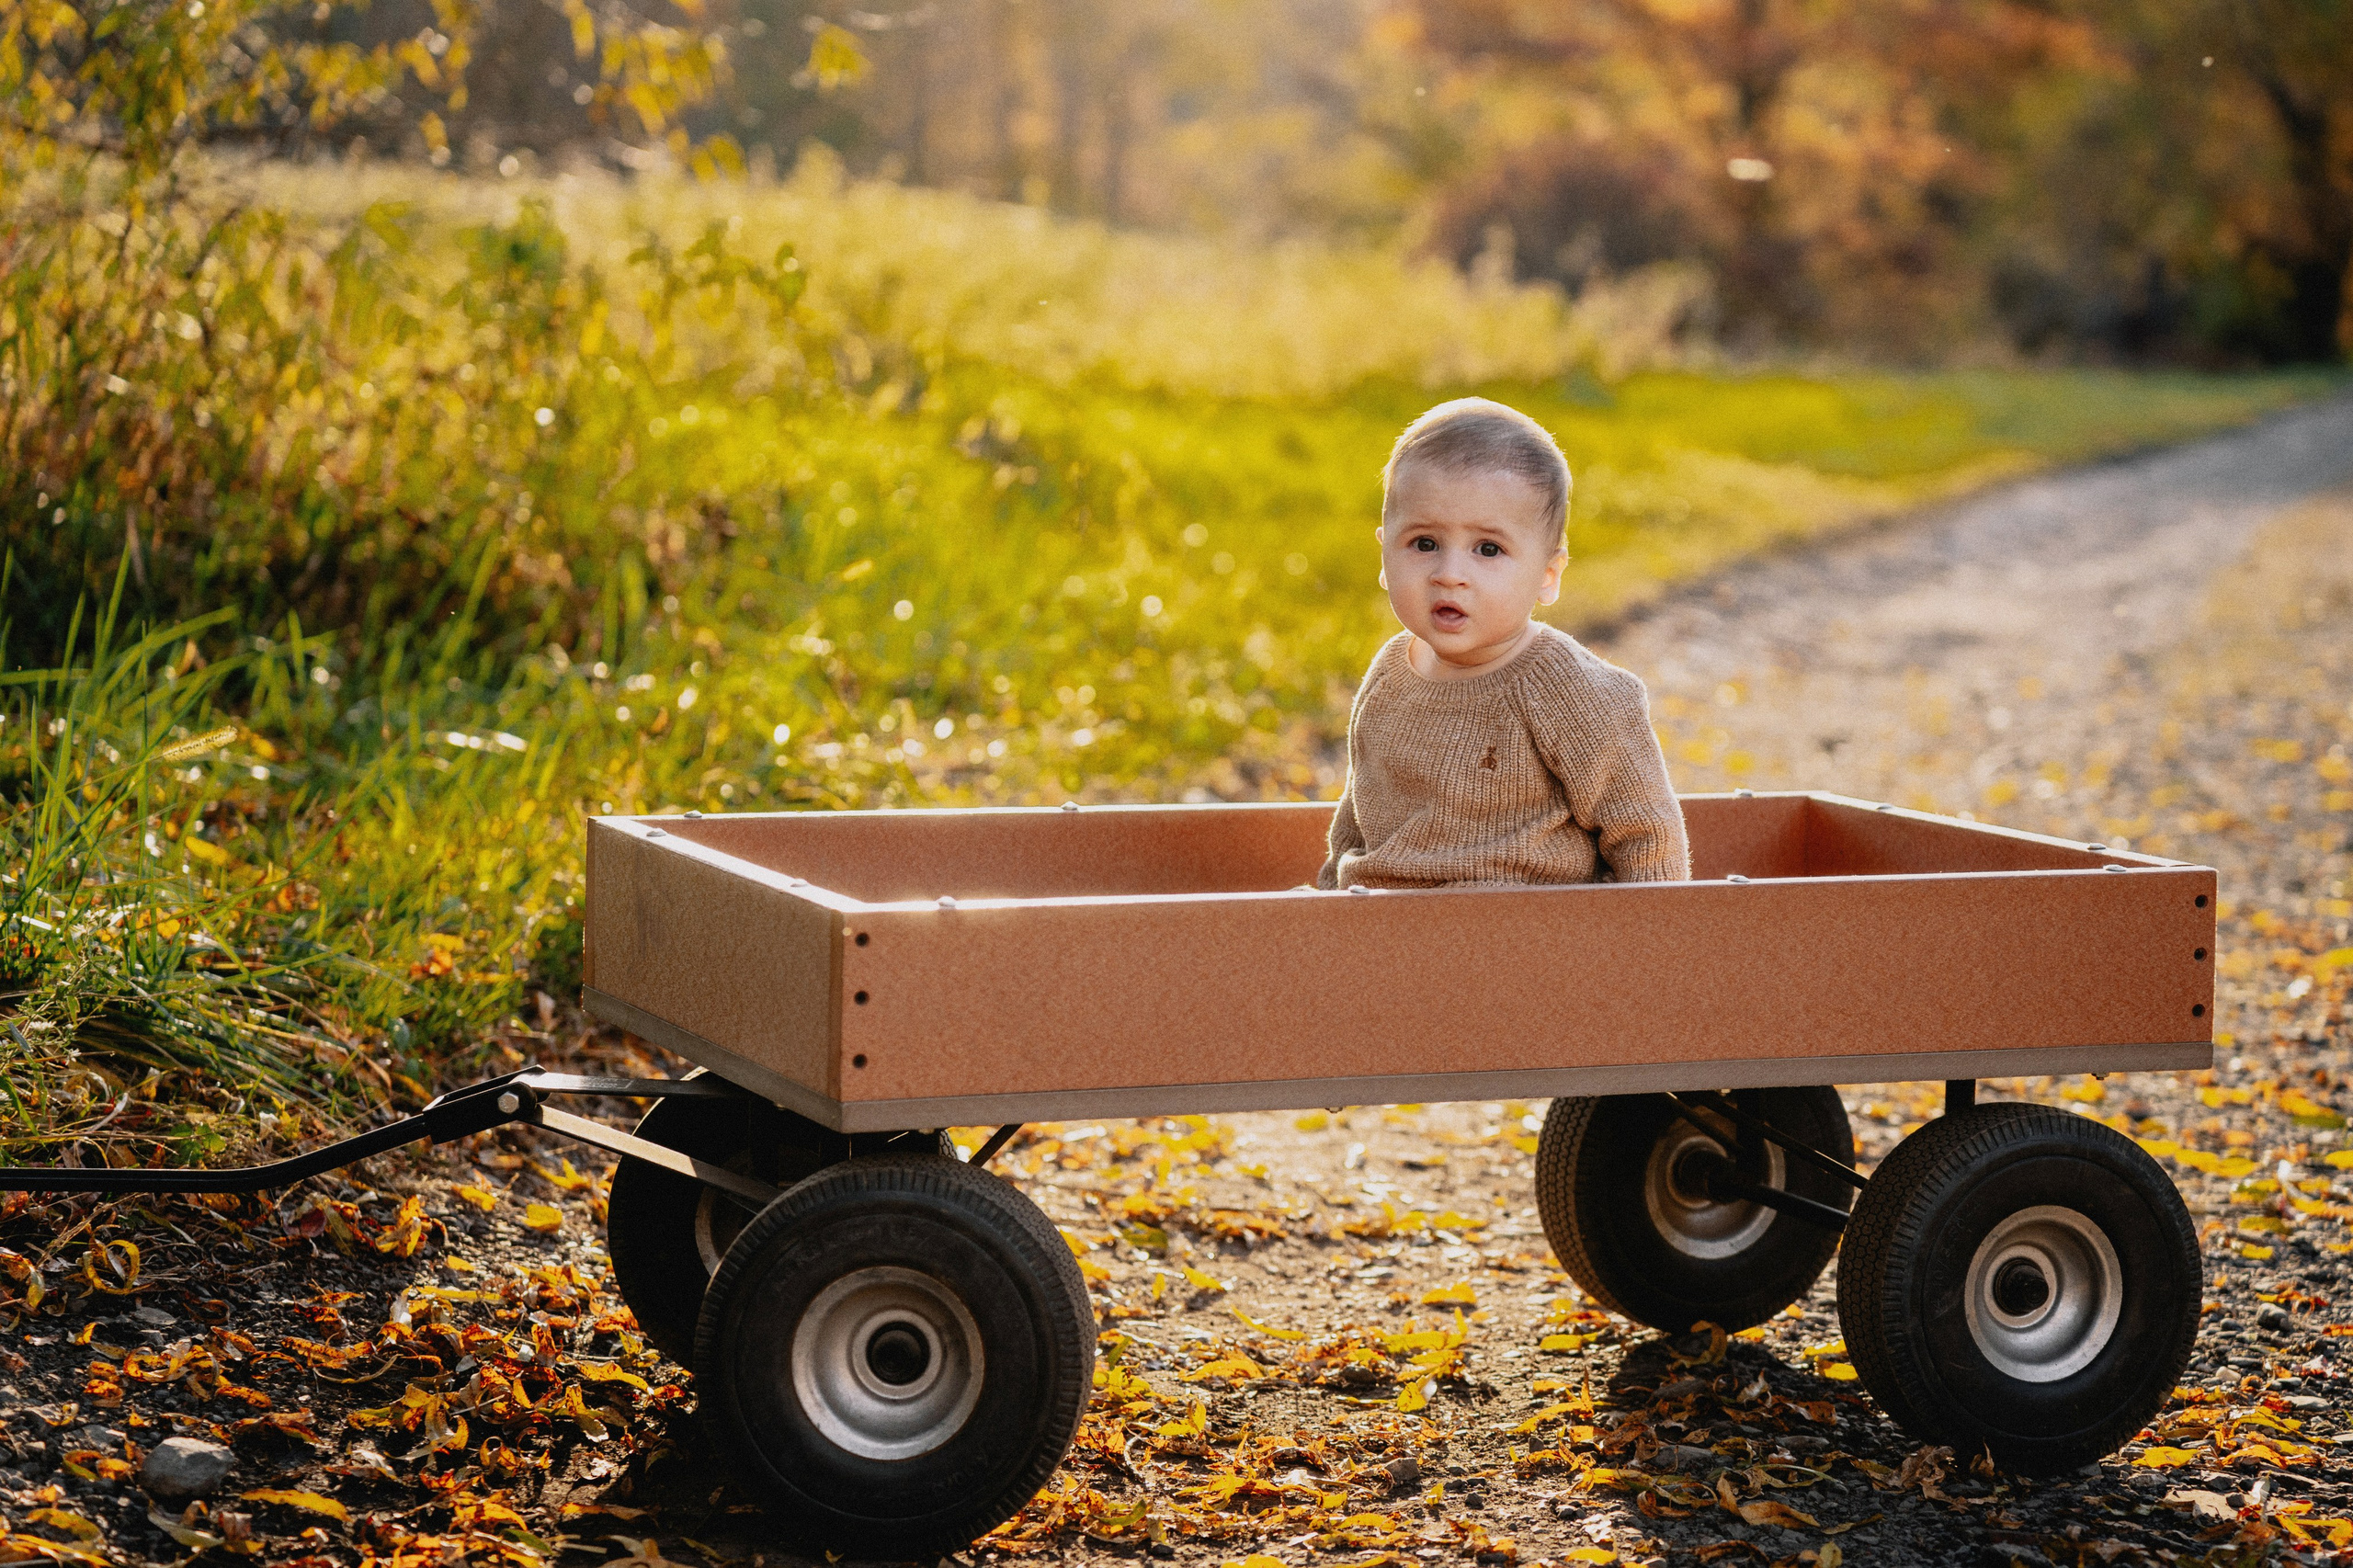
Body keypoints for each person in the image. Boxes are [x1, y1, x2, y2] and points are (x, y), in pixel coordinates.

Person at [1316, 398, 1689, 891]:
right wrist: (1322, 904)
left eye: (1488, 550)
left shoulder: (1572, 693)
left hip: (1523, 941)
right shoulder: (1389, 674)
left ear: (1547, 576)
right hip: (1386, 925)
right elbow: (1358, 815)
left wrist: (1652, 944)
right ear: (1385, 556)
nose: (1450, 575)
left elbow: (1646, 836)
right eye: (1424, 543)